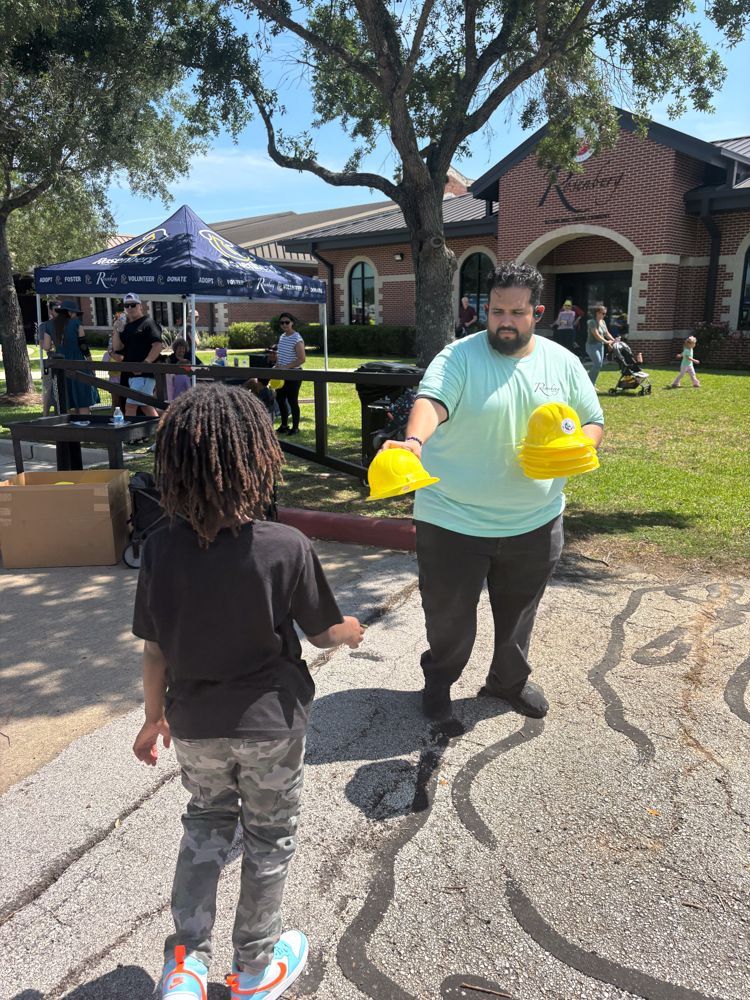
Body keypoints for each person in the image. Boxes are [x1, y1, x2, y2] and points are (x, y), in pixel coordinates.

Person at [131, 384, 365, 1000]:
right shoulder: (285, 546)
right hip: (272, 724)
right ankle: (256, 967)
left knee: (206, 824)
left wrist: (152, 719)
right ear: (257, 456)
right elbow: (321, 633)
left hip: (195, 722)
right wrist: (352, 630)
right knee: (268, 836)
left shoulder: (158, 549)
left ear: (173, 465)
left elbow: (154, 648)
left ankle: (185, 965)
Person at [383, 261, 604, 723]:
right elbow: (432, 401)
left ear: (536, 312)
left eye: (516, 312)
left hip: (535, 519)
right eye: (496, 310)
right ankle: (439, 681)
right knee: (449, 622)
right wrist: (414, 441)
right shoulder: (459, 356)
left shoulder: (561, 361)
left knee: (519, 617)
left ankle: (507, 683)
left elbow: (591, 419)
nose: (505, 321)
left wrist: (579, 448)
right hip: (452, 520)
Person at [42, 300, 100, 414]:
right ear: (70, 312)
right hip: (78, 363)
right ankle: (85, 426)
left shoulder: (48, 325)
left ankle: (67, 428)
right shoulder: (76, 324)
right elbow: (83, 347)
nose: (76, 315)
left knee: (64, 399)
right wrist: (91, 364)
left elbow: (47, 346)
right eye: (75, 313)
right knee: (83, 399)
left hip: (61, 365)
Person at [110, 293, 163, 417]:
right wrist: (116, 330)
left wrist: (145, 364)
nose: (129, 308)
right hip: (130, 374)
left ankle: (130, 435)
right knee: (145, 406)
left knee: (130, 406)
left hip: (144, 374)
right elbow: (117, 348)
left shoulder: (148, 323)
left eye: (133, 305)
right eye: (126, 306)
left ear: (140, 306)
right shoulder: (127, 327)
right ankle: (160, 432)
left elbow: (157, 345)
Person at [274, 313, 305, 435]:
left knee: (292, 401)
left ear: (292, 323)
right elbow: (280, 355)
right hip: (282, 374)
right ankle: (284, 425)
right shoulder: (282, 337)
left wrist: (286, 367)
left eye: (287, 322)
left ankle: (295, 427)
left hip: (294, 374)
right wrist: (277, 365)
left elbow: (302, 359)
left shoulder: (297, 338)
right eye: (282, 323)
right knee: (280, 399)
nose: (284, 325)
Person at [36, 300, 60, 416]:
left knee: (61, 391)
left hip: (64, 362)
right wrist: (51, 345)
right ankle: (45, 416)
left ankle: (59, 414)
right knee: (48, 390)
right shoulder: (44, 326)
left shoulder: (66, 324)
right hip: (51, 363)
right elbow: (43, 345)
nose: (58, 312)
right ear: (50, 310)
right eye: (56, 309)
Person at [586, 303, 616, 385]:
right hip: (592, 346)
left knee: (599, 365)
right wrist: (607, 342)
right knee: (597, 363)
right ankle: (589, 382)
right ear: (597, 313)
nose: (604, 315)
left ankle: (591, 382)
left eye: (605, 313)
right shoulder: (592, 322)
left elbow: (606, 333)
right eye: (603, 313)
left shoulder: (603, 322)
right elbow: (597, 335)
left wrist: (614, 340)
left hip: (600, 346)